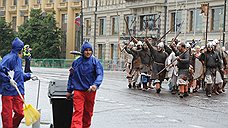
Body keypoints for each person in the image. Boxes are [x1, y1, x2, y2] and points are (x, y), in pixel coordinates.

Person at [66, 41, 104, 128]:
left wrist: (95, 85)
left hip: (90, 91)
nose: (88, 52)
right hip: (78, 91)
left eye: (90, 50)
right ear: (83, 51)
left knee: (88, 113)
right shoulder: (76, 62)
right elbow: (71, 76)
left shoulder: (95, 62)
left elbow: (100, 75)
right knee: (78, 112)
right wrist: (69, 90)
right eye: (86, 50)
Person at [0, 37, 31, 128]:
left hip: (18, 90)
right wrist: (8, 80)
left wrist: (29, 76)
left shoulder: (18, 59)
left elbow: (18, 74)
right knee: (7, 114)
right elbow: (1, 71)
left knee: (20, 113)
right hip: (8, 90)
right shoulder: (8, 58)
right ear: (20, 50)